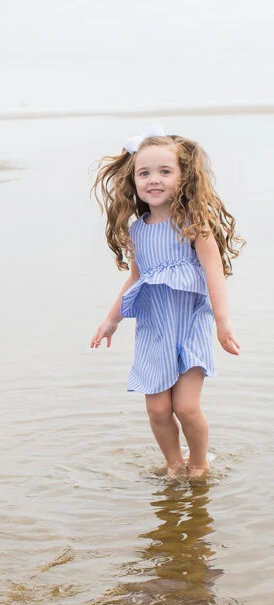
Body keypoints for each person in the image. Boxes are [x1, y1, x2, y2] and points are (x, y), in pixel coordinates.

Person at [90, 127, 243, 478]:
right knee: (158, 409)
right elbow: (135, 278)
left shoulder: (194, 225)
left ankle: (200, 465)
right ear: (134, 180)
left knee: (186, 407)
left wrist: (223, 322)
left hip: (190, 325)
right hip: (154, 330)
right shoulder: (137, 230)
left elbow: (214, 272)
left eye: (164, 171)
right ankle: (174, 466)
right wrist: (112, 319)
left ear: (183, 177)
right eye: (144, 173)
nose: (153, 180)